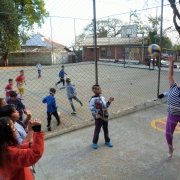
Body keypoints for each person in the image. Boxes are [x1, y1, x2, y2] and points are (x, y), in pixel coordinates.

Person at [89, 84, 114, 149]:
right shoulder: (93, 100)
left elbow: (105, 106)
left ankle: (107, 141)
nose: (101, 90)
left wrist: (109, 102)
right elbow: (92, 109)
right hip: (99, 118)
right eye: (99, 89)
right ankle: (94, 142)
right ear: (95, 91)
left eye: (100, 88)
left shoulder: (102, 98)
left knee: (106, 129)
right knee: (97, 130)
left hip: (105, 117)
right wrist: (100, 110)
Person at [165, 56, 180, 158]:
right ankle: (171, 148)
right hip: (172, 114)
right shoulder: (174, 86)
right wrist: (171, 63)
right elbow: (170, 76)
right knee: (168, 133)